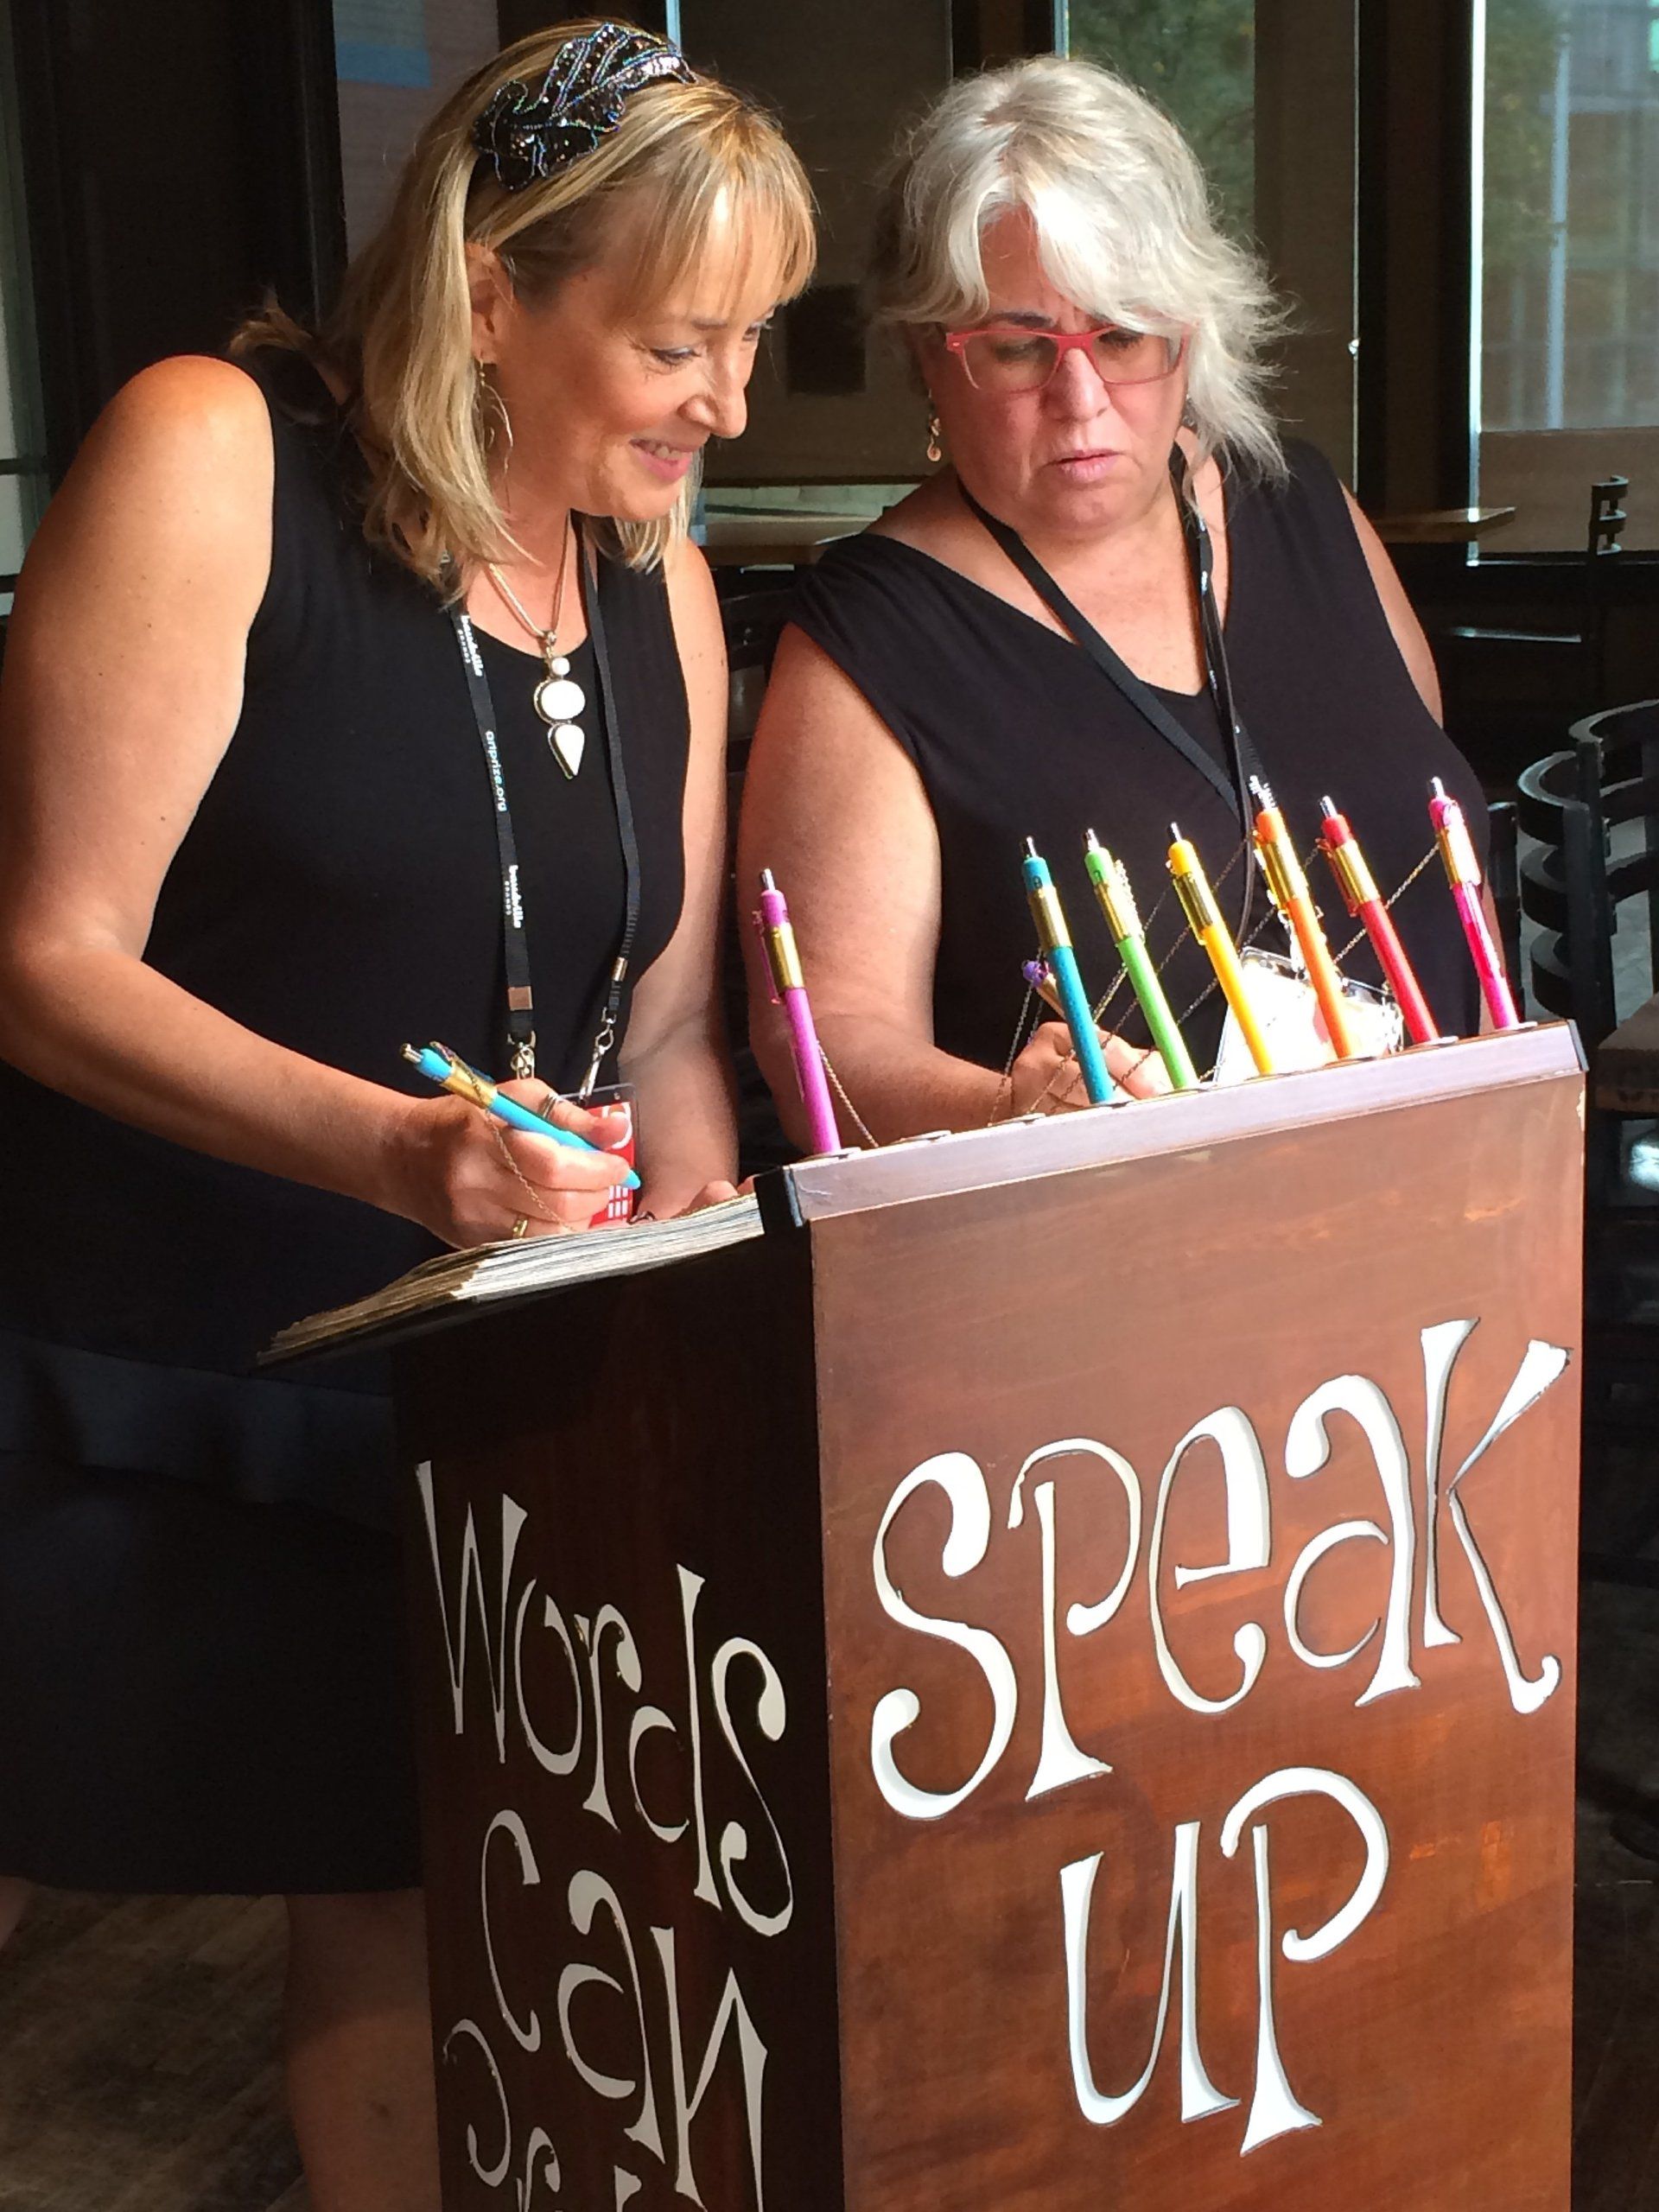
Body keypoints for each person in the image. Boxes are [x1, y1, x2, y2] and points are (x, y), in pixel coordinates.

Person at [0, 20, 811, 2209]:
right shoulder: (210, 452)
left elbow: (664, 1020)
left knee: (399, 1888)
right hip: (122, 1366)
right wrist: (397, 1149)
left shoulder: (657, 568)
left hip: (440, 1379)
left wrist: (686, 1225)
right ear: (483, 293)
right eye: (676, 343)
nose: (728, 407)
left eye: (750, 340)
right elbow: (48, 958)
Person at [738, 54, 1488, 1147]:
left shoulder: (1303, 506)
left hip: (1447, 1192)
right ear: (925, 355)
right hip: (1125, 1235)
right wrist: (1008, 1110)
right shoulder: (872, 634)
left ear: (1194, 329)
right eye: (1017, 348)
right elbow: (821, 1047)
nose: (1081, 398)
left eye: (1125, 335)